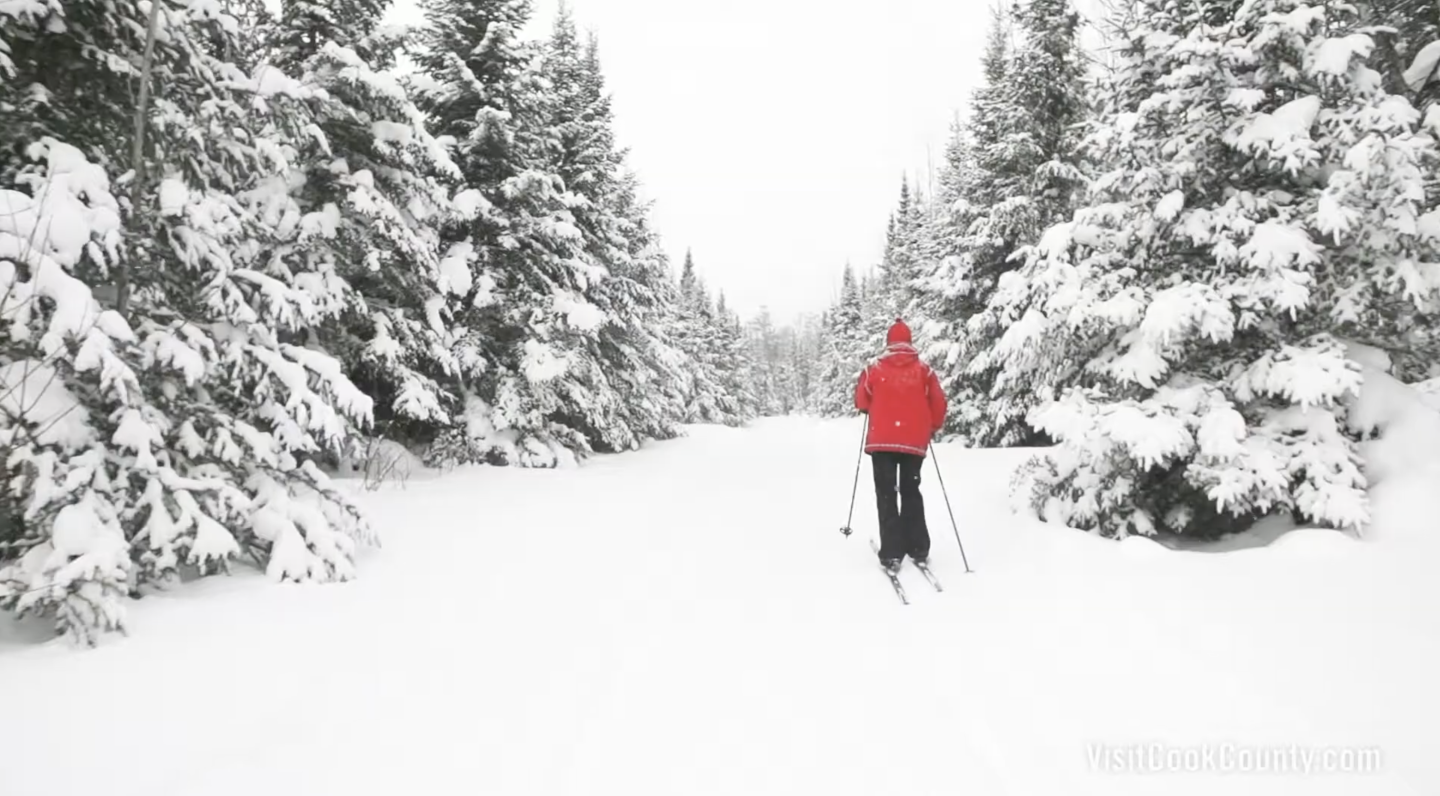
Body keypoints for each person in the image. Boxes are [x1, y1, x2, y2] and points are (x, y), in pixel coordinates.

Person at [853, 318, 947, 573]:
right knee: (910, 491)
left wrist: (870, 407)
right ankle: (918, 547)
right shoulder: (924, 370)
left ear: (889, 342)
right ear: (909, 340)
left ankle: (892, 552)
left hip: (882, 442)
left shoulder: (873, 368)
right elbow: (938, 402)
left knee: (886, 494)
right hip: (914, 444)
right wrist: (932, 426)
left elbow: (861, 400)